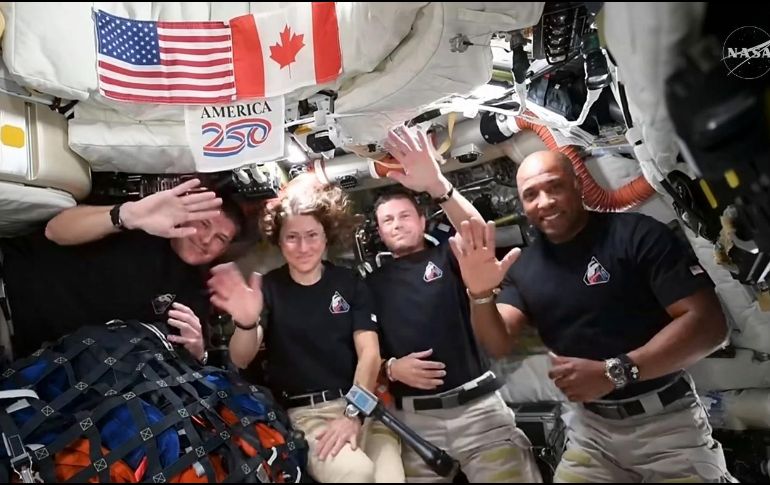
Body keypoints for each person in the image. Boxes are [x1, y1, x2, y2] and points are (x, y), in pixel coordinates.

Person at [448, 150, 736, 482]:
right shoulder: (523, 267)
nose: (544, 202)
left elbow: (710, 325)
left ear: (577, 185)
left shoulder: (636, 234)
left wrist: (615, 372)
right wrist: (479, 293)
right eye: (530, 195)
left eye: (553, 187)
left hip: (669, 428)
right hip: (592, 433)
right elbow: (498, 344)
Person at [365, 126, 542, 483]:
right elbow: (360, 352)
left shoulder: (451, 256)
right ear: (380, 232)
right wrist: (391, 368)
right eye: (388, 220)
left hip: (479, 412)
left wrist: (436, 185)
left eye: (404, 216)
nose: (396, 225)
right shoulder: (368, 284)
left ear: (420, 221)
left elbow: (477, 232)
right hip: (416, 423)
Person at [207, 181, 405, 483]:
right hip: (308, 417)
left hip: (362, 407)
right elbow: (241, 358)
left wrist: (354, 414)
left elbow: (370, 354)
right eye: (292, 238)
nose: (303, 247)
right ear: (279, 241)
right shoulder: (270, 288)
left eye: (312, 236)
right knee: (356, 473)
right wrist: (246, 322)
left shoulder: (349, 283)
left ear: (326, 237)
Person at [0, 178, 241, 362]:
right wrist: (126, 216)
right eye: (204, 224)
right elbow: (55, 230)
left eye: (220, 238)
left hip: (27, 358)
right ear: (186, 215)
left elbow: (185, 356)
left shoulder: (196, 294)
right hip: (8, 288)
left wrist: (199, 353)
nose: (208, 239)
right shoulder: (142, 218)